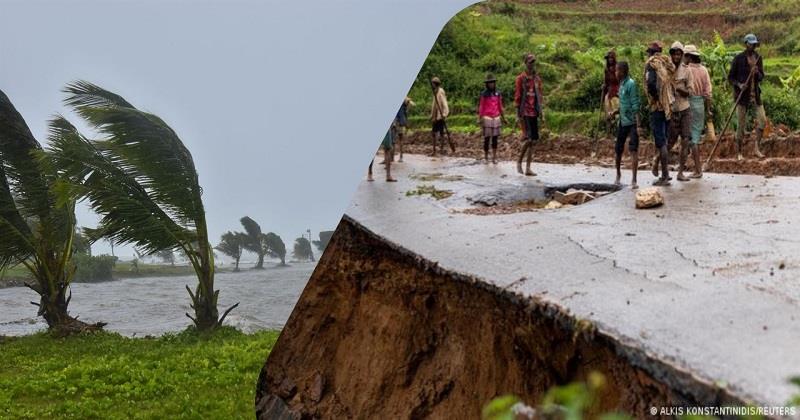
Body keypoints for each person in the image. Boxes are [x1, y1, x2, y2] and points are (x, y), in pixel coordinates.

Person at [656, 41, 693, 182]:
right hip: (671, 111)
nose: (676, 57)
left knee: (685, 140)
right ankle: (656, 160)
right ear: (671, 55)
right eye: (674, 54)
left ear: (682, 55)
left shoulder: (686, 70)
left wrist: (678, 88)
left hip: (684, 109)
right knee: (669, 142)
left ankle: (680, 172)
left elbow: (690, 91)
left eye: (679, 54)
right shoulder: (666, 69)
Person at [728, 33, 766, 160]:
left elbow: (762, 77)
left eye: (754, 44)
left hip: (755, 95)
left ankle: (757, 148)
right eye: (750, 44)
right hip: (742, 96)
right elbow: (731, 77)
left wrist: (757, 72)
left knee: (762, 121)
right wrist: (739, 85)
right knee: (741, 125)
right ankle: (739, 152)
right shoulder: (738, 59)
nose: (753, 46)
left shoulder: (758, 58)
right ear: (746, 44)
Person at [644, 41, 675, 186]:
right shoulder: (665, 63)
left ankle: (665, 175)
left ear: (650, 52)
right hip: (668, 106)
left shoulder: (651, 64)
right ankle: (665, 173)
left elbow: (650, 84)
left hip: (658, 107)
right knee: (665, 140)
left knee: (661, 142)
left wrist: (655, 99)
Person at [611, 61, 642, 189]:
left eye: (617, 70)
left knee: (633, 150)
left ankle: (634, 180)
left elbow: (635, 105)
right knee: (618, 149)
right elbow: (624, 103)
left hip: (632, 123)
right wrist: (615, 112)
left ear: (623, 71)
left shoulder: (631, 84)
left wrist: (638, 125)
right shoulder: (621, 85)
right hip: (622, 122)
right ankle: (618, 175)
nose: (615, 72)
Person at [684, 44, 712, 178]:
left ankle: (698, 170)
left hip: (688, 103)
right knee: (694, 135)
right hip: (700, 104)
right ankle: (693, 166)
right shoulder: (703, 70)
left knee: (692, 139)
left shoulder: (686, 70)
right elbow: (708, 93)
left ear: (689, 56)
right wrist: (708, 110)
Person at [514, 53, 545, 176]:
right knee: (529, 138)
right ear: (525, 63)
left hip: (534, 111)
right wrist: (517, 115)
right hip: (525, 111)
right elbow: (517, 96)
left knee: (534, 141)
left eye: (533, 62)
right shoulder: (520, 79)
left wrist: (542, 113)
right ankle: (519, 161)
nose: (532, 65)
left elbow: (540, 97)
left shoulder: (537, 79)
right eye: (530, 62)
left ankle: (528, 168)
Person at [477, 73, 505, 164]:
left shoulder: (498, 93)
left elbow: (500, 106)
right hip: (487, 117)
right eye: (490, 83)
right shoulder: (484, 94)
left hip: (496, 117)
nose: (491, 84)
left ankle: (494, 157)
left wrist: (504, 117)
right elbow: (481, 106)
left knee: (495, 139)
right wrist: (479, 117)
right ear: (487, 84)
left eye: (492, 83)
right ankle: (486, 157)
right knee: (487, 138)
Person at [430, 77, 451, 157]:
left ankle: (441, 150)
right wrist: (432, 115)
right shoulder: (435, 92)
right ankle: (434, 150)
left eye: (433, 84)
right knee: (434, 133)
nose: (432, 85)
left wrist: (445, 114)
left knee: (441, 133)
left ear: (435, 84)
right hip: (436, 116)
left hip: (440, 116)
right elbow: (434, 104)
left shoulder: (440, 91)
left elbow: (444, 103)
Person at [602, 50, 621, 135]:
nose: (610, 60)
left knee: (617, 114)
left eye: (611, 58)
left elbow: (620, 81)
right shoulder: (606, 70)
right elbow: (606, 82)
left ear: (614, 58)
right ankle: (608, 133)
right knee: (608, 114)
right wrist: (604, 86)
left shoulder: (618, 68)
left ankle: (618, 133)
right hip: (609, 93)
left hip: (616, 92)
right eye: (608, 58)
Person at [393, 96, 414, 162]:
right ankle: (396, 157)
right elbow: (411, 103)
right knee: (397, 139)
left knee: (396, 139)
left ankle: (398, 157)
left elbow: (410, 103)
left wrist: (406, 110)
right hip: (398, 121)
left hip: (398, 121)